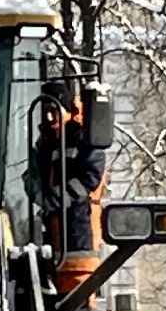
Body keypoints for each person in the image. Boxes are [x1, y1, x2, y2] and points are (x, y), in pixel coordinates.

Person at [28, 82, 107, 257]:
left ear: (68, 110)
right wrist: (34, 191)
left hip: (81, 235)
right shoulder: (43, 145)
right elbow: (31, 175)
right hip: (50, 236)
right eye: (44, 111)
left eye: (54, 110)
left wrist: (53, 198)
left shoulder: (85, 139)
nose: (49, 117)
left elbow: (90, 179)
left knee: (79, 273)